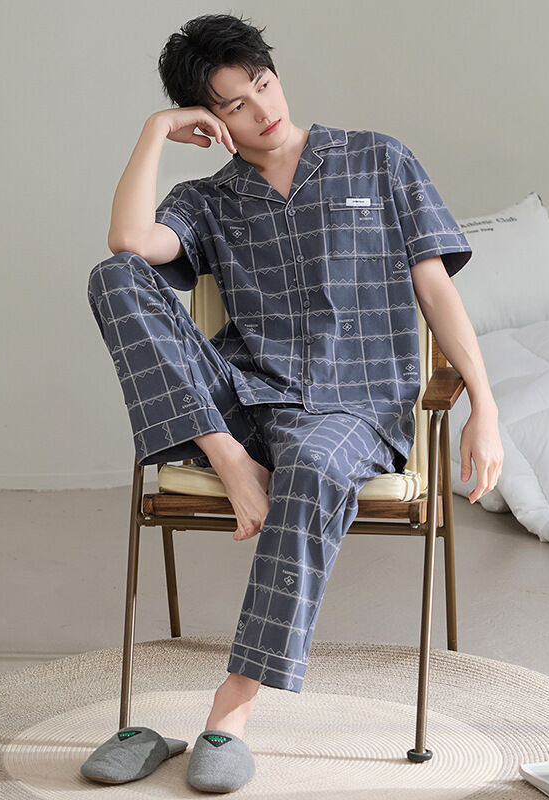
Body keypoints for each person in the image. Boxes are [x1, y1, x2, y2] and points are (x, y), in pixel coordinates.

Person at [85, 11, 504, 791]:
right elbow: (128, 243)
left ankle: (231, 710)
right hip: (242, 404)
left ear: (275, 73)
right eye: (235, 104)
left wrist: (485, 404)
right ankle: (232, 465)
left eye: (263, 85)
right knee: (113, 278)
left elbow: (436, 291)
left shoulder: (379, 159)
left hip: (354, 406)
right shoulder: (209, 199)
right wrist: (155, 130)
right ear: (210, 118)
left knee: (312, 464)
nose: (263, 109)